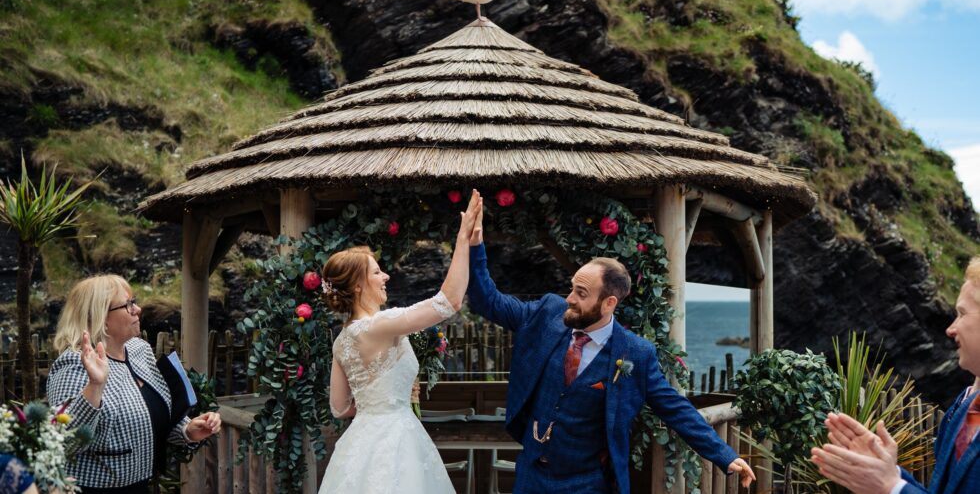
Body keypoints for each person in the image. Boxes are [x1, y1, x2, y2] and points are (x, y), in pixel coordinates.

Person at [464, 206, 755, 493]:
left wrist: (725, 455)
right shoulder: (547, 314)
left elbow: (676, 408)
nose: (569, 299)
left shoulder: (635, 354)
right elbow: (487, 301)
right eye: (572, 288)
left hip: (587, 483)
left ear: (609, 303)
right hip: (531, 476)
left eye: (581, 293)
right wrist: (475, 245)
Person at [318, 190, 483, 494]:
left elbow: (339, 408)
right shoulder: (380, 325)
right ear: (357, 286)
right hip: (395, 442)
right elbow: (449, 302)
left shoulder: (341, 341)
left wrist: (382, 398)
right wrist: (462, 240)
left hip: (359, 446)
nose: (386, 277)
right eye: (377, 272)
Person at [812, 256, 980, 494]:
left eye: (962, 313)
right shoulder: (966, 406)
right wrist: (888, 473)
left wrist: (891, 486)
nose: (950, 329)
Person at [47, 275, 222, 494]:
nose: (138, 309)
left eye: (135, 301)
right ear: (101, 316)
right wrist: (95, 386)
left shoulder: (139, 350)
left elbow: (147, 411)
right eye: (128, 304)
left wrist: (186, 430)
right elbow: (65, 443)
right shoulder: (75, 363)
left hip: (139, 486)